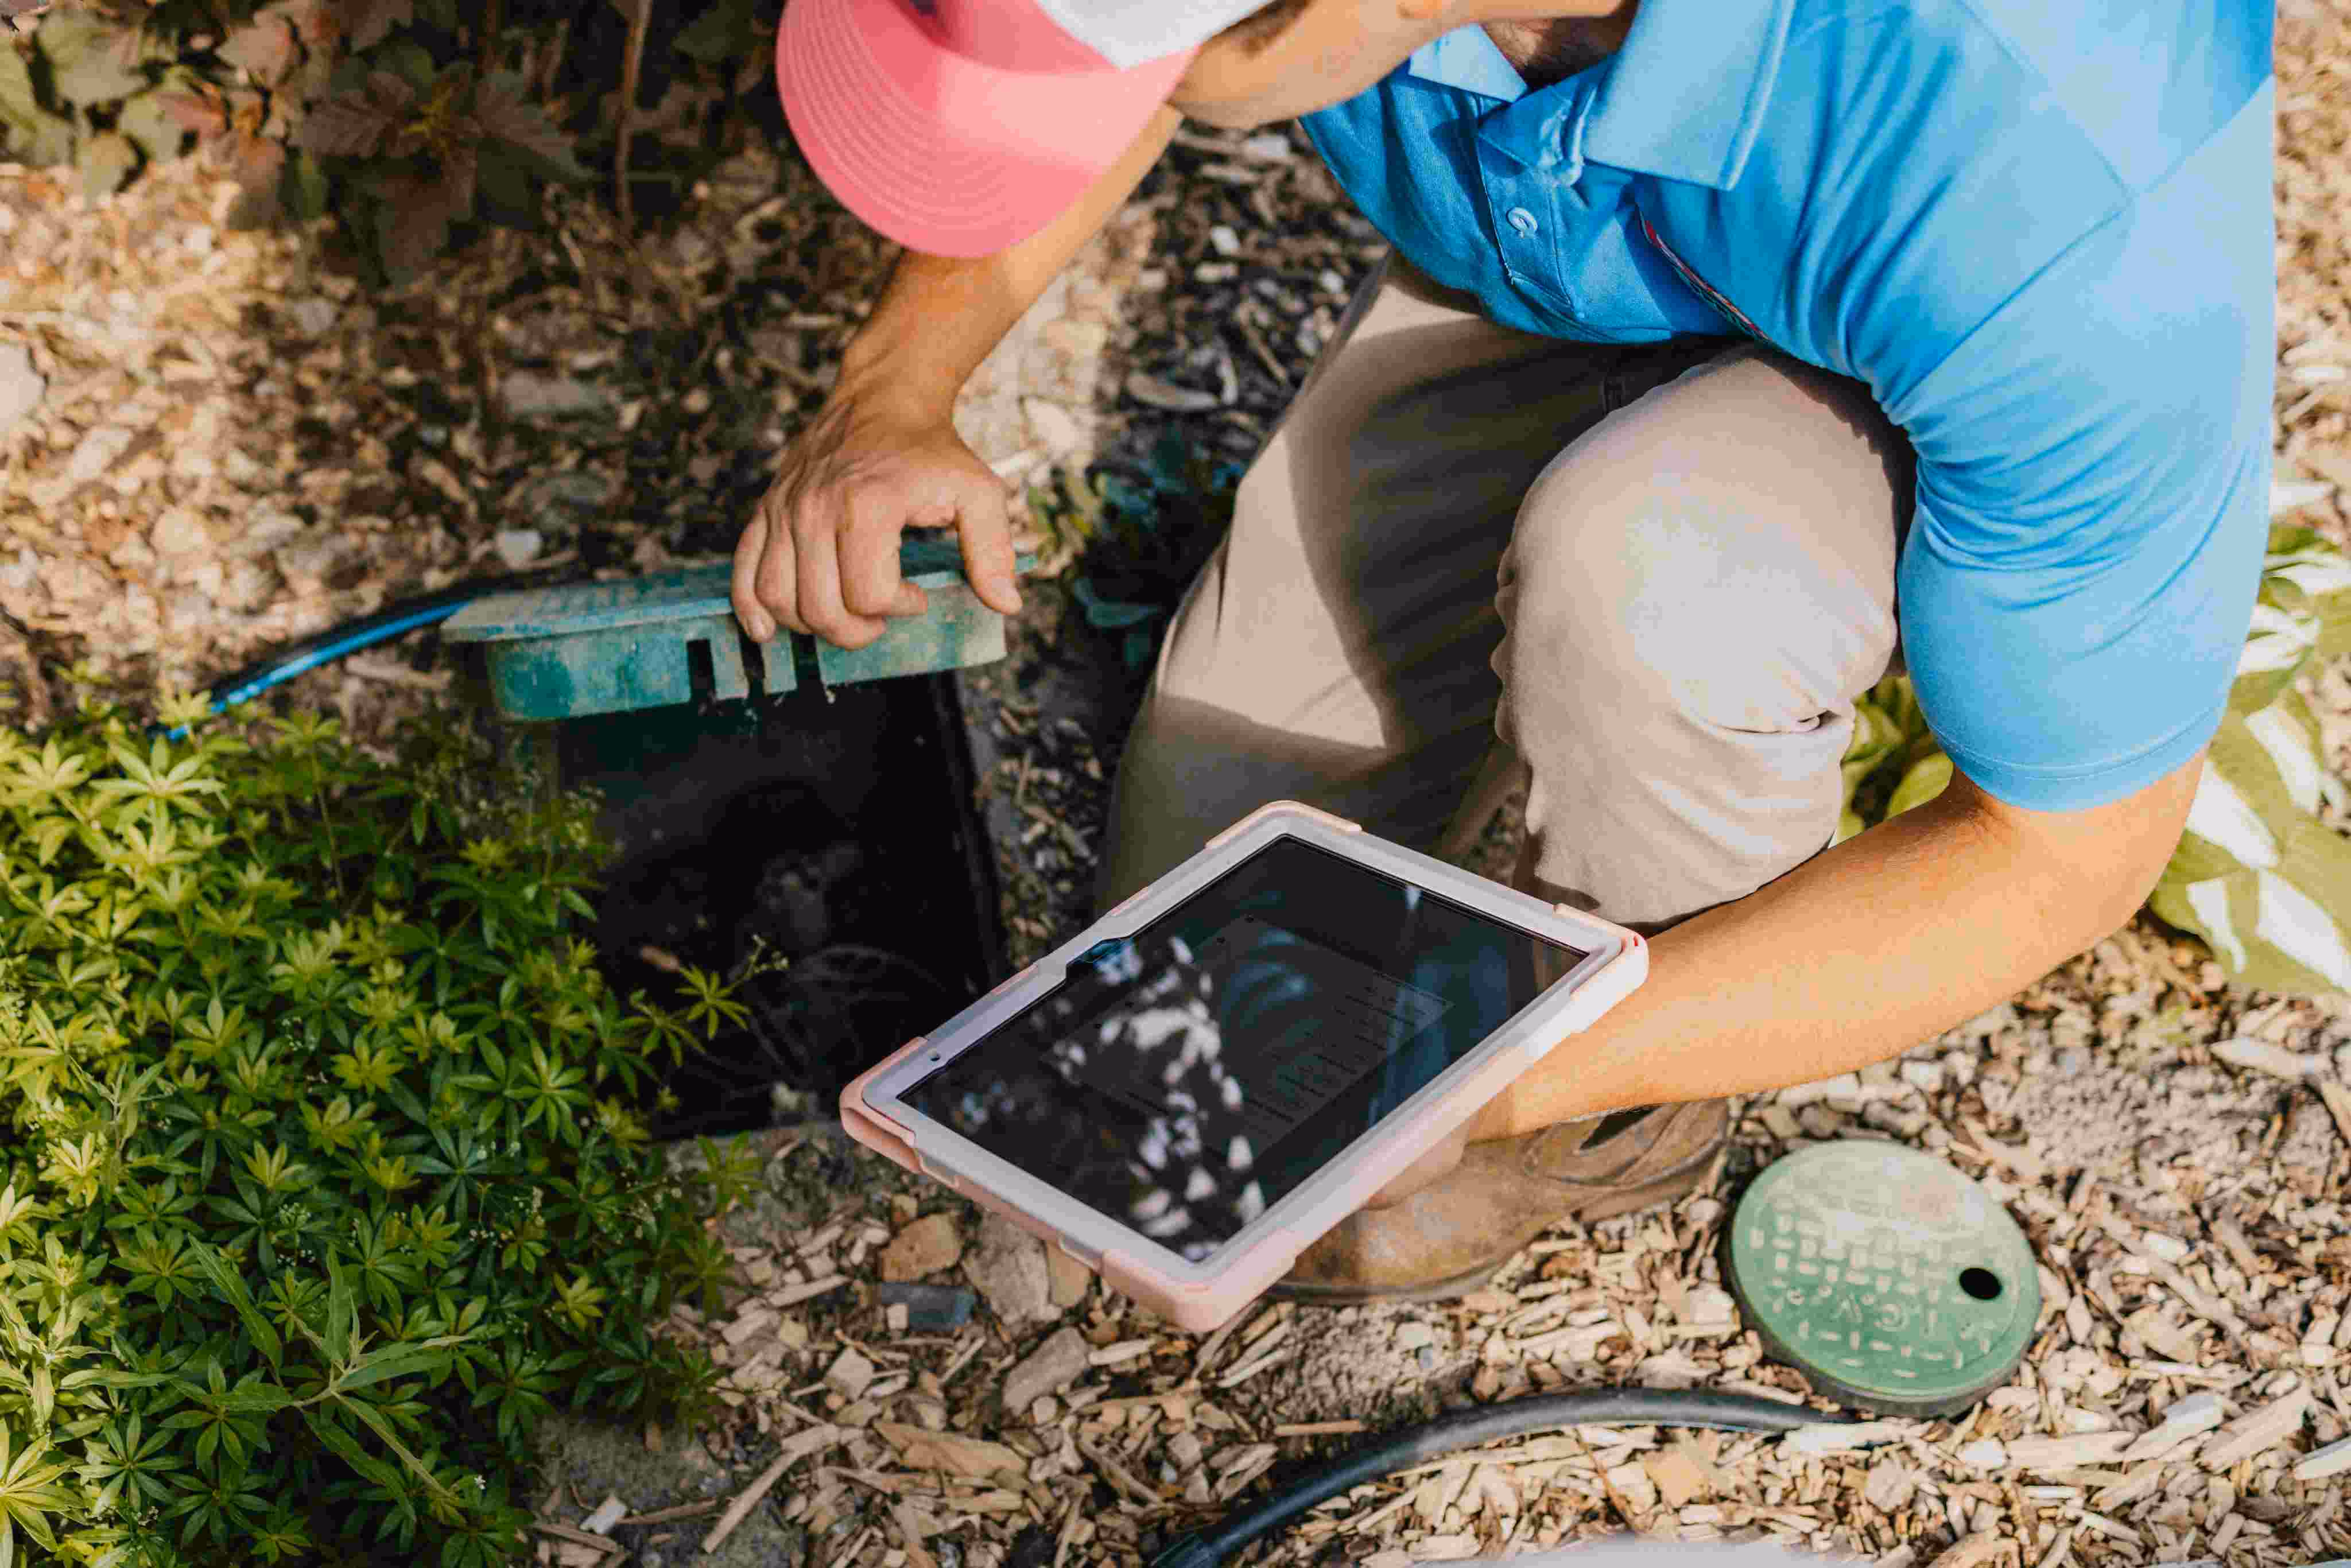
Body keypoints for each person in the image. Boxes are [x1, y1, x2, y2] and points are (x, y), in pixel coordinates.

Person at [734, 0, 2274, 1303]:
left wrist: (1506, 1075)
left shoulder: (2059, 172)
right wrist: (894, 384)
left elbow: (2064, 855)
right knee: (1187, 941)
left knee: (1659, 573)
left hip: (1897, 292)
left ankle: (1613, 1132)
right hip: (1575, 250)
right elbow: (1110, 65)